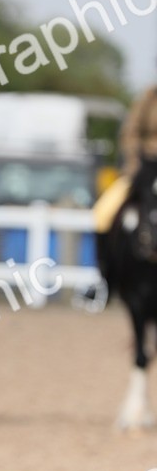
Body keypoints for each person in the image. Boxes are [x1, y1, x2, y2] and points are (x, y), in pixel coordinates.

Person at [83, 85, 157, 310]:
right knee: (103, 211)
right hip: (147, 167)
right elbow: (130, 131)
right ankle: (105, 279)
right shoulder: (149, 97)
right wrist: (135, 162)